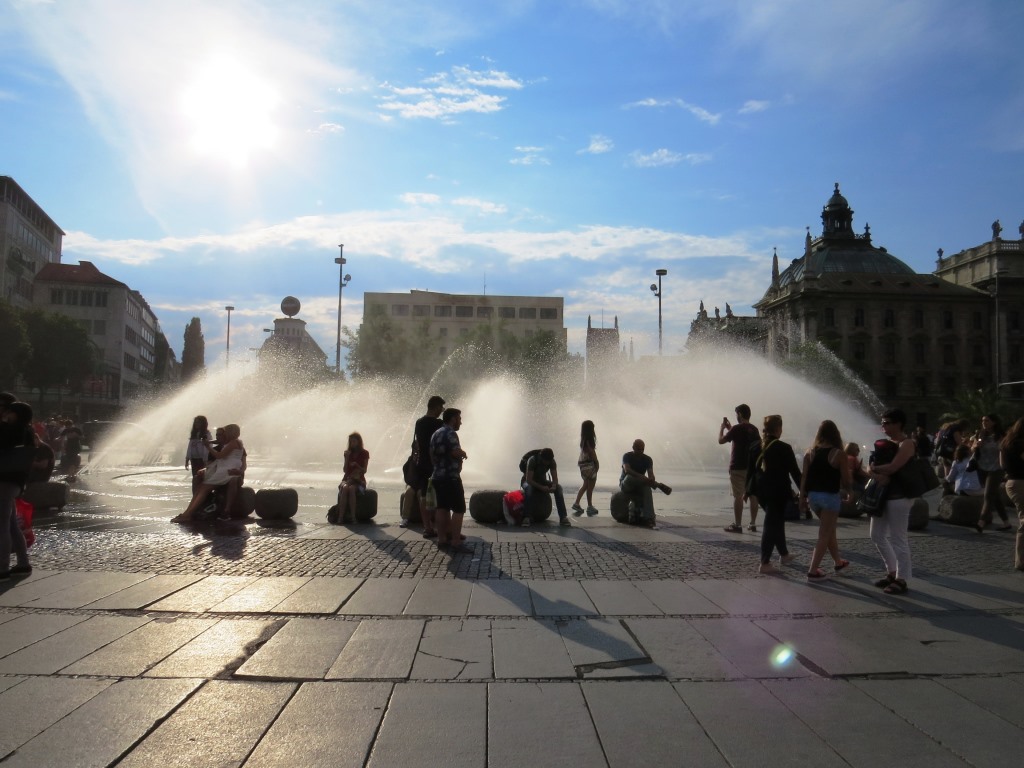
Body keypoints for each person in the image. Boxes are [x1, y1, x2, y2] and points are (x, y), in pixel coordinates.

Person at [868, 408, 918, 595]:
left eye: (887, 422)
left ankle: (902, 579)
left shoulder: (907, 443)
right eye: (882, 423)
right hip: (883, 495)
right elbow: (871, 466)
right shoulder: (885, 444)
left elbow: (894, 467)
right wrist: (874, 471)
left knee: (898, 538)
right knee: (876, 535)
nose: (884, 426)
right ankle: (892, 571)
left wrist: (876, 470)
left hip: (899, 497)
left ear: (898, 424)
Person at [745, 415, 801, 575]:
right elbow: (795, 473)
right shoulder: (784, 447)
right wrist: (805, 491)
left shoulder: (755, 446)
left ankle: (784, 554)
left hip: (761, 491)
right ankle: (765, 562)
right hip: (778, 491)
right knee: (771, 525)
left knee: (776, 521)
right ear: (778, 429)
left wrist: (747, 491)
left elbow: (750, 471)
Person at [799, 420, 852, 579]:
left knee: (830, 531)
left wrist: (802, 497)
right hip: (830, 497)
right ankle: (813, 570)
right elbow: (845, 479)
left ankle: (838, 562)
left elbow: (804, 478)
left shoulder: (809, 452)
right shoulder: (839, 454)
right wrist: (850, 492)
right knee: (824, 533)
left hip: (813, 497)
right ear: (836, 434)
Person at [171, 424, 244, 523]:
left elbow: (219, 455)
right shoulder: (235, 442)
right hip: (226, 469)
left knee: (203, 489)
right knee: (201, 487)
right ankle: (188, 513)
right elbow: (218, 441)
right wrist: (208, 442)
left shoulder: (233, 443)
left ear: (230, 433)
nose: (224, 434)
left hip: (226, 470)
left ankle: (188, 514)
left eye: (225, 432)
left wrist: (208, 447)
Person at [0, 401, 35, 580]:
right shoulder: (27, 431)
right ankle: (23, 564)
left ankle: (2, 568)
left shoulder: (13, 430)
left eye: (10, 412)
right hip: (16, 482)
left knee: (2, 526)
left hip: (5, 480)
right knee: (12, 525)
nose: (7, 415)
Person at [430, 408, 471, 553]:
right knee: (459, 508)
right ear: (453, 419)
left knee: (442, 508)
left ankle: (442, 540)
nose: (461, 421)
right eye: (459, 418)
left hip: (437, 476)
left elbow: (432, 455)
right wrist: (463, 454)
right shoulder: (450, 433)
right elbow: (454, 451)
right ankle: (455, 541)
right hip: (451, 477)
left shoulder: (436, 433)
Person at [719, 404, 761, 532]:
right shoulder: (754, 429)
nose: (736, 416)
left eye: (737, 414)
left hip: (737, 466)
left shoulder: (736, 429)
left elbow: (721, 440)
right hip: (751, 467)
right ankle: (753, 524)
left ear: (741, 414)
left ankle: (738, 525)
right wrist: (730, 428)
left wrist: (722, 429)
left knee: (738, 496)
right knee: (753, 495)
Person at [413, 395, 445, 538]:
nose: (442, 410)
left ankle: (427, 527)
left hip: (421, 463)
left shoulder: (419, 422)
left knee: (424, 495)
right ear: (436, 407)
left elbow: (416, 443)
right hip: (435, 463)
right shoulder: (438, 424)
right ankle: (438, 527)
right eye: (441, 408)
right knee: (439, 495)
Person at [973, 414, 1011, 532]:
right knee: (995, 497)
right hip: (982, 467)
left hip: (997, 468)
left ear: (994, 422)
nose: (984, 422)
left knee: (988, 495)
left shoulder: (1001, 435)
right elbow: (974, 446)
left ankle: (981, 522)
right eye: (983, 420)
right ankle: (1006, 522)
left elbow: (1006, 449)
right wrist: (975, 446)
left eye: (987, 420)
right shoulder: (981, 434)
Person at [999, 418, 1024, 571]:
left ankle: (1020, 560)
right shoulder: (1021, 444)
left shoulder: (1005, 443)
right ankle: (1020, 561)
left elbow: (1002, 465)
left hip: (1011, 483)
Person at [523, 448, 571, 527]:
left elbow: (555, 478)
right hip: (527, 482)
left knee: (559, 488)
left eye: (549, 461)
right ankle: (526, 517)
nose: (547, 463)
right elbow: (529, 480)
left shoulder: (552, 461)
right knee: (529, 489)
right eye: (546, 461)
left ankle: (563, 517)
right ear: (541, 457)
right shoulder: (532, 460)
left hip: (542, 481)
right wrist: (541, 487)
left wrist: (554, 486)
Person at [620, 439, 659, 529]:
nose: (640, 451)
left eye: (642, 449)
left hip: (640, 485)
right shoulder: (627, 456)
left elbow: (650, 473)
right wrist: (642, 477)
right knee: (630, 477)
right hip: (626, 484)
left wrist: (651, 479)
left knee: (647, 487)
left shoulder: (648, 459)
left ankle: (649, 518)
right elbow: (627, 470)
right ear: (633, 448)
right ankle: (656, 485)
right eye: (638, 449)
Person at [337, 432, 369, 524]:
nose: (352, 444)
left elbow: (364, 470)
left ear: (359, 442)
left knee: (351, 489)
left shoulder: (365, 453)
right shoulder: (348, 453)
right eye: (351, 442)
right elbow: (345, 470)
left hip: (358, 480)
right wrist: (347, 458)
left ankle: (353, 517)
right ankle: (341, 517)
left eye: (354, 441)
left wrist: (357, 465)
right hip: (347, 479)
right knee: (345, 487)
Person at [571, 420, 599, 517]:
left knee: (585, 485)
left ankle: (576, 503)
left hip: (583, 465)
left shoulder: (583, 439)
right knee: (590, 486)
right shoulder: (590, 439)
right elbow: (591, 452)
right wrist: (596, 462)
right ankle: (590, 506)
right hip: (590, 465)